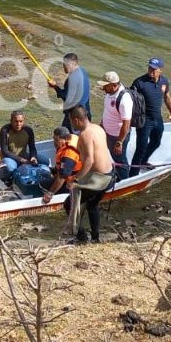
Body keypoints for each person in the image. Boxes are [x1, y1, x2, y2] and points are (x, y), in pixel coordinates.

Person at [65, 107, 114, 244]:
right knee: (92, 204)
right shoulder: (98, 128)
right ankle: (95, 238)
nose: (71, 124)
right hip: (110, 174)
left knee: (69, 203)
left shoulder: (85, 135)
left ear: (76, 120)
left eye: (71, 121)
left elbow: (89, 160)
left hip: (99, 179)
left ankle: (81, 237)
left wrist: (75, 179)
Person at [129, 57, 171, 175]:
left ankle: (143, 161)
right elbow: (130, 102)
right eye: (150, 67)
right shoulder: (139, 82)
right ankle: (132, 175)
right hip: (144, 121)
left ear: (160, 70)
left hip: (157, 119)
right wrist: (129, 121)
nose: (151, 70)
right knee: (140, 148)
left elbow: (167, 98)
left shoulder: (164, 82)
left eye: (154, 69)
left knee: (156, 142)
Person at [97, 71, 133, 181]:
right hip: (108, 133)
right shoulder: (109, 93)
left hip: (117, 136)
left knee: (120, 161)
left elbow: (126, 124)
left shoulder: (124, 99)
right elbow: (107, 112)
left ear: (114, 85)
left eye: (105, 86)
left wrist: (119, 142)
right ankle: (115, 173)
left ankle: (124, 181)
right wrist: (101, 126)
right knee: (112, 156)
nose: (103, 88)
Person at [42, 127, 82, 219]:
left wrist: (50, 193)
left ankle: (49, 199)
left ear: (66, 139)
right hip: (68, 174)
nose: (54, 143)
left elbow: (62, 177)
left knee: (43, 185)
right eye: (54, 139)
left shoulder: (70, 153)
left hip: (73, 183)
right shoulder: (69, 141)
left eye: (57, 140)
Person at [47, 53, 91, 132]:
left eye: (65, 65)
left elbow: (66, 97)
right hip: (85, 113)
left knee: (65, 135)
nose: (63, 67)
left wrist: (55, 86)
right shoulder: (83, 71)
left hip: (75, 115)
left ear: (71, 64)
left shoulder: (72, 78)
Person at [0, 110, 37, 176]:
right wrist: (21, 160)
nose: (18, 124)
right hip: (10, 158)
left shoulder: (28, 130)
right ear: (11, 121)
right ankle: (10, 178)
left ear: (24, 121)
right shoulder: (5, 130)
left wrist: (33, 156)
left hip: (24, 156)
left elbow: (32, 147)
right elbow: (4, 151)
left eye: (20, 121)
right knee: (10, 167)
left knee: (45, 161)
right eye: (16, 121)